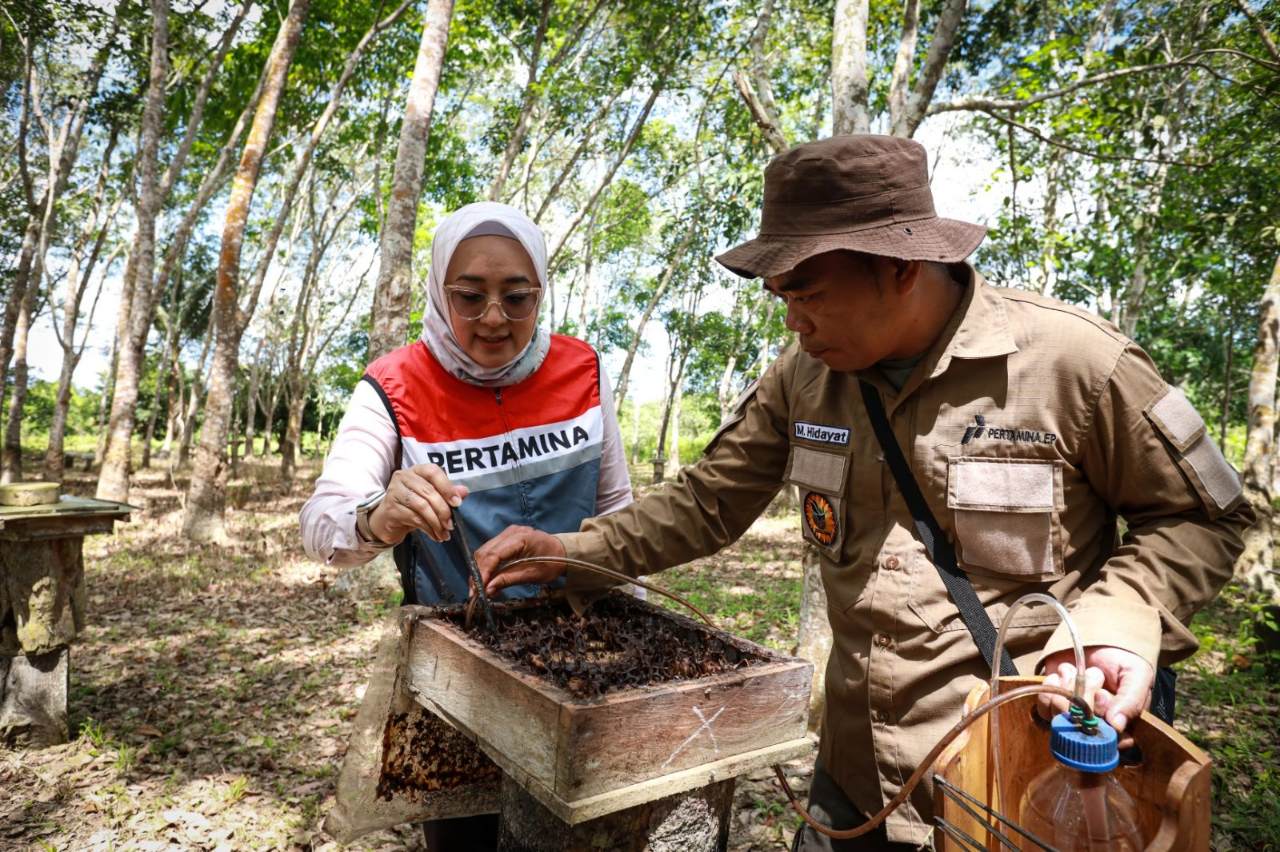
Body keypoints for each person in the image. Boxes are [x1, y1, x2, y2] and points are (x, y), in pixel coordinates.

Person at [474, 136, 1253, 850]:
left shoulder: (1073, 364)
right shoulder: (803, 377)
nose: (794, 319)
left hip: (1016, 776)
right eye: (780, 295)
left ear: (900, 268)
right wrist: (573, 552)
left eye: (807, 291)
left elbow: (1204, 517)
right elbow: (709, 500)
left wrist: (1115, 624)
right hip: (851, 773)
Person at [300, 201, 632, 849]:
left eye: (517, 297)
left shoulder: (583, 370)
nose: (493, 320)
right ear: (438, 291)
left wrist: (635, 655)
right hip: (455, 679)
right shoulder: (392, 387)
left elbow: (620, 512)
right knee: (464, 838)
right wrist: (377, 514)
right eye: (469, 295)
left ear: (541, 291)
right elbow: (322, 525)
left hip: (582, 659)